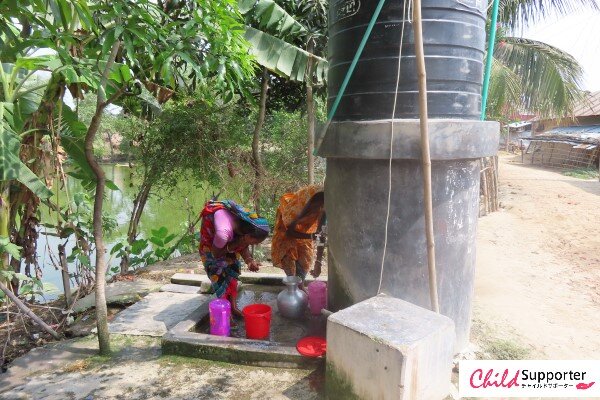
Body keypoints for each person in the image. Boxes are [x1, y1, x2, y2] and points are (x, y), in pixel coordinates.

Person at [199, 200, 270, 316]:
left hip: (230, 243)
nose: (255, 245)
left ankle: (233, 307)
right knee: (219, 277)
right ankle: (225, 314)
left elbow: (243, 244)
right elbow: (216, 253)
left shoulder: (244, 225)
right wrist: (236, 244)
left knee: (232, 274)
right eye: (255, 242)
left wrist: (249, 260)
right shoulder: (223, 233)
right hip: (212, 246)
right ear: (246, 236)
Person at [271, 185, 326, 290]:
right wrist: (310, 235)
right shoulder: (305, 204)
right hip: (286, 234)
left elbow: (321, 235)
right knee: (291, 273)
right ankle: (294, 290)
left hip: (304, 235)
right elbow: (289, 232)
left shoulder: (326, 206)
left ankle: (300, 288)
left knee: (305, 264)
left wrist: (318, 263)